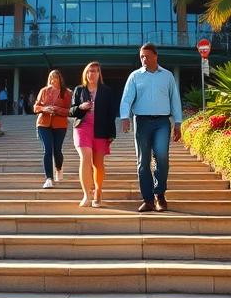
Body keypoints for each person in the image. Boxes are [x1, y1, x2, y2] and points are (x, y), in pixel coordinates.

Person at [119, 42, 183, 213]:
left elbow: (174, 99)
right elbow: (126, 98)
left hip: (162, 122)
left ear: (156, 56)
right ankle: (147, 200)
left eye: (147, 56)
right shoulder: (135, 76)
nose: (144, 59)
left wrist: (178, 122)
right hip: (142, 122)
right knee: (143, 162)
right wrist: (125, 117)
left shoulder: (167, 76)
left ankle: (159, 195)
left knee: (162, 157)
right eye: (141, 56)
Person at [69, 61, 117, 208]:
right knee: (85, 158)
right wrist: (81, 107)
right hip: (82, 128)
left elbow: (111, 114)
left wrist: (112, 133)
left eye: (95, 71)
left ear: (99, 74)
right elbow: (71, 111)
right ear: (86, 73)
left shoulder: (106, 91)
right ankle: (86, 195)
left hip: (101, 129)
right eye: (90, 71)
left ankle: (98, 191)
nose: (92, 74)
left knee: (98, 164)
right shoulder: (79, 90)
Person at [33, 69, 71, 188]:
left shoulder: (67, 93)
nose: (53, 79)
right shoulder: (44, 91)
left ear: (60, 79)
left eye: (55, 77)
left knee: (57, 151)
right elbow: (36, 107)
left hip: (60, 125)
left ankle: (58, 167)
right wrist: (44, 109)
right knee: (47, 150)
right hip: (43, 124)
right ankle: (49, 178)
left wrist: (56, 109)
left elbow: (70, 111)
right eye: (51, 77)